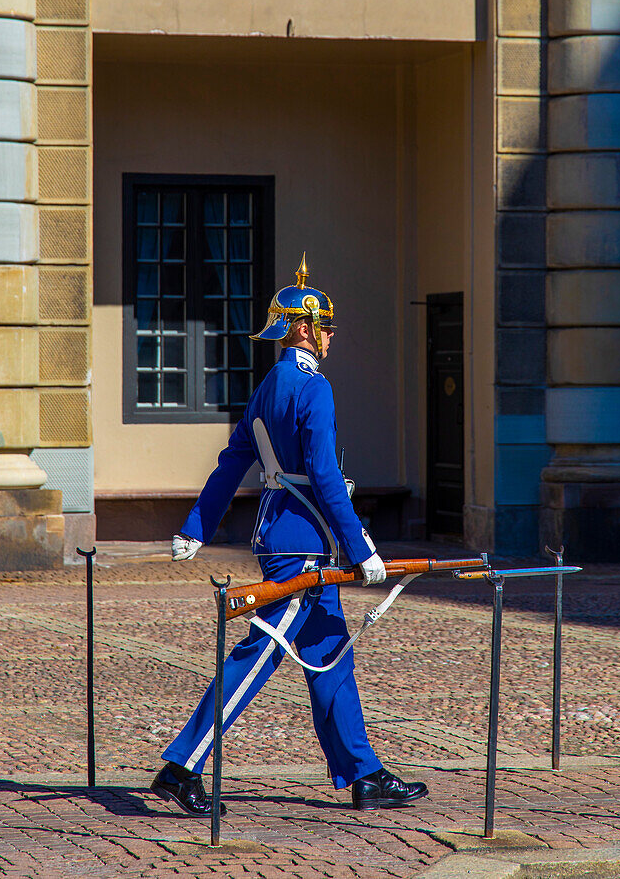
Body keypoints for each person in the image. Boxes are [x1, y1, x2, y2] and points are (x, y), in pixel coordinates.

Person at [151, 256, 428, 816]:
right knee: (259, 657)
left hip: (284, 530)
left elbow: (232, 462)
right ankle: (182, 765)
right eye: (324, 324)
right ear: (302, 327)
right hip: (302, 539)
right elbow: (325, 476)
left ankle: (363, 772)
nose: (330, 334)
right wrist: (364, 548)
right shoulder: (313, 388)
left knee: (330, 652)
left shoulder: (269, 386)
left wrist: (196, 526)